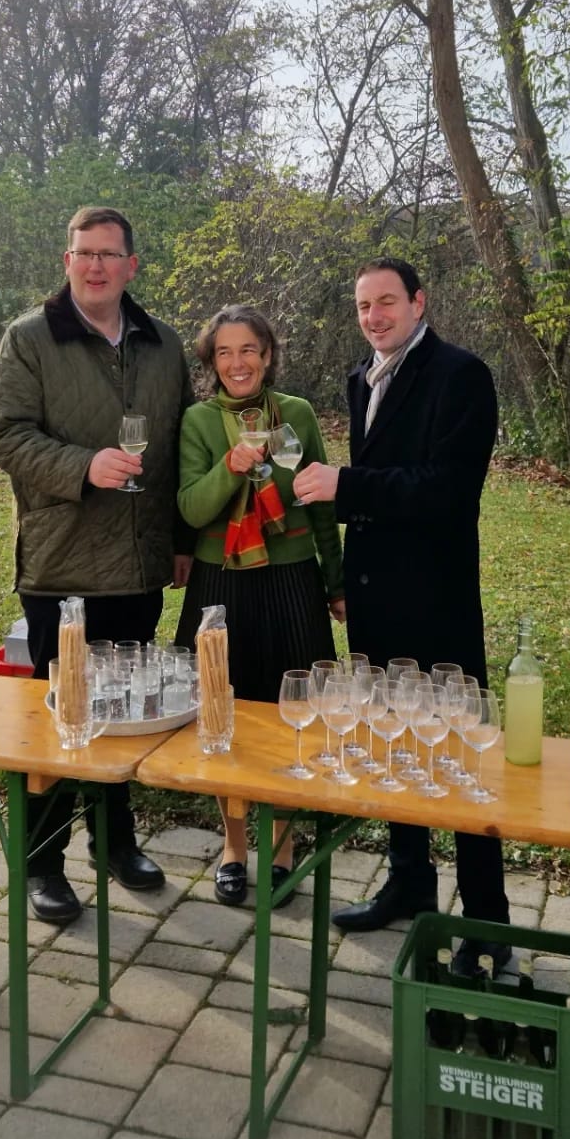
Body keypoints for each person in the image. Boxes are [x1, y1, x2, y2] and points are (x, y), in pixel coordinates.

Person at [293, 257, 510, 975]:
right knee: (394, 749)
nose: (374, 317)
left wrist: (345, 485)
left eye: (386, 302)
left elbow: (448, 490)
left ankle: (488, 920)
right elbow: (382, 485)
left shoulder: (460, 374)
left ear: (419, 302)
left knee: (461, 758)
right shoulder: (363, 377)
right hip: (376, 597)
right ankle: (410, 882)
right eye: (363, 306)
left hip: (437, 600)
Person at [0, 205, 194, 924]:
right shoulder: (30, 338)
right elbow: (4, 436)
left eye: (109, 254)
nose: (96, 265)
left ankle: (116, 843)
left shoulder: (163, 343)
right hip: (62, 563)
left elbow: (182, 446)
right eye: (84, 253)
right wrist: (83, 466)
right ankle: (43, 863)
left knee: (125, 712)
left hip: (139, 565)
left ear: (131, 265)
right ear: (67, 261)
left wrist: (182, 539)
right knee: (62, 718)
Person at [175, 305, 344, 906]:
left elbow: (321, 504)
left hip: (292, 581)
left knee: (291, 712)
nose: (237, 363)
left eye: (248, 349)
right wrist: (231, 466)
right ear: (211, 362)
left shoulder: (296, 414)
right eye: (224, 352)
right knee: (223, 714)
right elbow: (192, 509)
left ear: (268, 356)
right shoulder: (198, 421)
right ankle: (233, 846)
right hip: (221, 584)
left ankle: (282, 845)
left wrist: (335, 581)